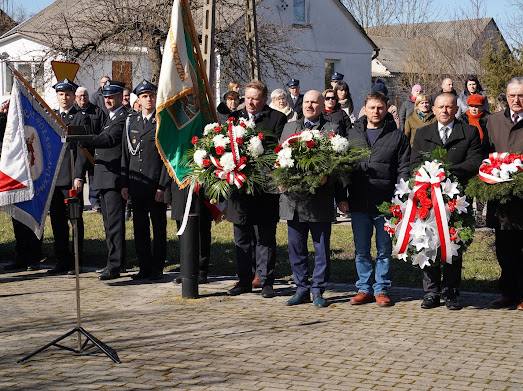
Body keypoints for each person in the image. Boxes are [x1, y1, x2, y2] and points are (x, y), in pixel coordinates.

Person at [411, 93, 483, 310]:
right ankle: (431, 291)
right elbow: (414, 162)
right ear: (433, 109)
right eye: (441, 107)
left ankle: (451, 291)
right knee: (429, 243)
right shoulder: (423, 133)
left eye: (449, 107)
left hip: (457, 197)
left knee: (453, 243)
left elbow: (475, 160)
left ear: (456, 109)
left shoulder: (468, 132)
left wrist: (447, 172)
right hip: (428, 198)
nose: (445, 111)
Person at [338, 92, 410, 307]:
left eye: (380, 108)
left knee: (384, 249)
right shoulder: (353, 135)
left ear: (386, 108)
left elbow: (403, 168)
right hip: (359, 200)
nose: (376, 112)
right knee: (361, 249)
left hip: (385, 202)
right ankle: (363, 288)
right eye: (372, 108)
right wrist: (342, 196)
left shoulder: (397, 136)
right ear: (365, 109)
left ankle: (381, 289)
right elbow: (343, 168)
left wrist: (401, 196)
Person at [225, 80, 287, 298]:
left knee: (265, 238)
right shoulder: (234, 119)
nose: (250, 102)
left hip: (264, 190)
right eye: (248, 97)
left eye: (255, 98)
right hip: (240, 191)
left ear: (264, 99)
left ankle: (267, 280)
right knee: (242, 238)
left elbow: (278, 152)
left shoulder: (277, 119)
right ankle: (244, 280)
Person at [280, 90, 340, 307]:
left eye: (315, 102)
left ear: (323, 105)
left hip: (319, 200)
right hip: (293, 201)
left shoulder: (331, 130)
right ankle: (301, 288)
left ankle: (318, 290)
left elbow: (339, 165)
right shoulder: (289, 127)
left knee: (321, 248)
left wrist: (328, 176)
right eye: (306, 102)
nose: (310, 105)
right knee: (296, 247)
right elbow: (280, 158)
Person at [77, 80, 128, 280]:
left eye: (112, 97)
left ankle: (115, 265)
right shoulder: (110, 117)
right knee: (108, 224)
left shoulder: (122, 118)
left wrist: (84, 138)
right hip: (104, 177)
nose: (108, 100)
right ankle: (115, 261)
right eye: (106, 97)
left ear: (118, 98)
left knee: (114, 224)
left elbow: (109, 139)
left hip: (114, 177)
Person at [121, 80, 169, 281]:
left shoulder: (161, 122)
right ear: (138, 100)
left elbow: (167, 157)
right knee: (140, 228)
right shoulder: (131, 122)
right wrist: (124, 183)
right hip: (136, 184)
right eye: (144, 96)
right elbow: (126, 154)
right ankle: (144, 267)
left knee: (158, 228)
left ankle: (157, 267)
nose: (148, 99)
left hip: (154, 184)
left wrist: (162, 185)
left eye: (151, 95)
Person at [485, 77, 523, 311]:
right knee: (504, 248)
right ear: (506, 97)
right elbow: (486, 154)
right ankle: (507, 293)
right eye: (512, 95)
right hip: (501, 199)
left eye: (521, 95)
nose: (516, 100)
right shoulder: (494, 121)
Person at [47, 79, 92, 275]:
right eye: (61, 94)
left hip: (71, 175)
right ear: (57, 96)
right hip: (55, 177)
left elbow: (82, 149)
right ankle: (61, 260)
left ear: (74, 96)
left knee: (75, 220)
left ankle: (76, 261)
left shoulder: (80, 118)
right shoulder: (51, 116)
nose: (64, 98)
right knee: (57, 221)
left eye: (67, 94)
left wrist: (79, 176)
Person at [0, 99, 43, 272]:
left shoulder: (31, 121)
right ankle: (21, 257)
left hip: (31, 174)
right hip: (15, 175)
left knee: (31, 217)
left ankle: (34, 257)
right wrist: (3, 114)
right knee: (17, 218)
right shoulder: (8, 125)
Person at [75, 86, 106, 211]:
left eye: (85, 95)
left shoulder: (97, 111)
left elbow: (104, 128)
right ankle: (78, 202)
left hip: (94, 150)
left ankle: (95, 202)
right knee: (78, 177)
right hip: (78, 151)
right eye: (80, 96)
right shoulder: (73, 112)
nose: (83, 98)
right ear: (76, 97)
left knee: (94, 177)